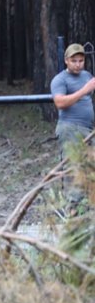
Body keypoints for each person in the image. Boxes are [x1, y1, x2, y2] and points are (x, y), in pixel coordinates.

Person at [50, 43, 94, 208]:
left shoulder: (87, 76)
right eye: (74, 60)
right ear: (66, 61)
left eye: (81, 60)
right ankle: (72, 211)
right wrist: (84, 90)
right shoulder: (60, 80)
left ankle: (88, 211)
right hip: (70, 129)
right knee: (73, 169)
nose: (78, 64)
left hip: (89, 130)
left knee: (90, 169)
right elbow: (60, 102)